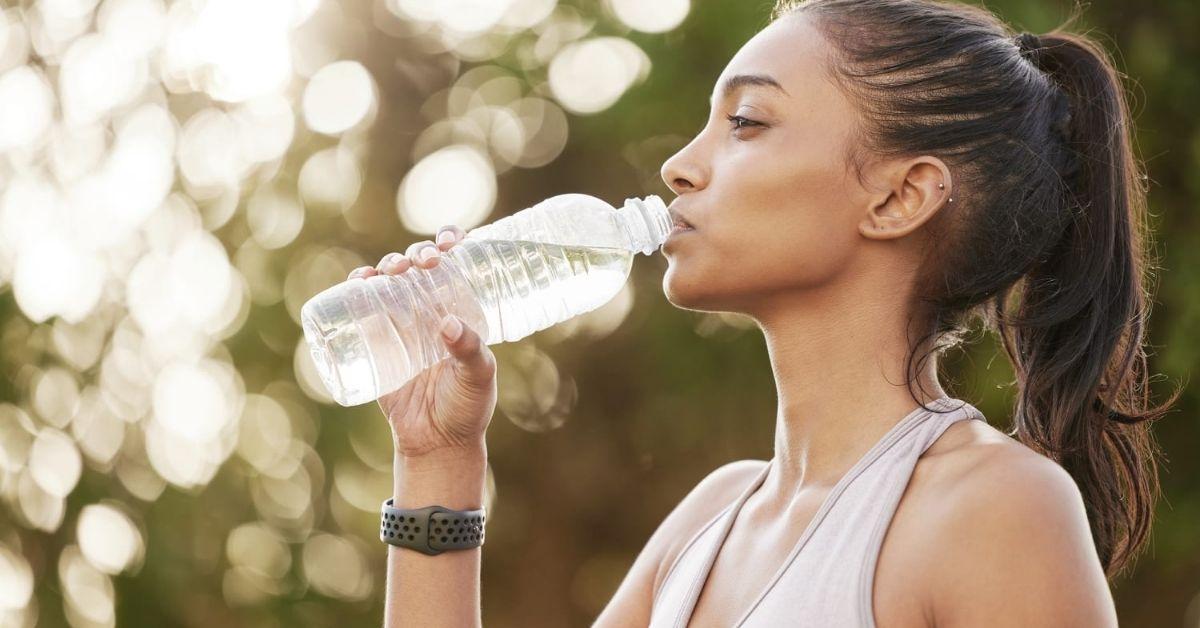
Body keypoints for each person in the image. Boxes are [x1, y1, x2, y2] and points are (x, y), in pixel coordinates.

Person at [347, 0, 1179, 625]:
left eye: (745, 122)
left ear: (899, 196)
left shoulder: (995, 511)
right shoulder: (710, 521)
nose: (678, 165)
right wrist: (438, 461)